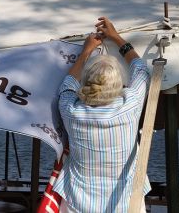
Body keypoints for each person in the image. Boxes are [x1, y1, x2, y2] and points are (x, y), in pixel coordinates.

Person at [53, 17, 151, 212]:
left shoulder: (72, 110)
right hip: (126, 201)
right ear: (118, 84)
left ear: (86, 82)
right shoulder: (130, 105)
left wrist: (86, 51)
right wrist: (116, 38)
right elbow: (141, 69)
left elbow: (67, 85)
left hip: (78, 202)